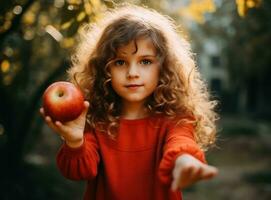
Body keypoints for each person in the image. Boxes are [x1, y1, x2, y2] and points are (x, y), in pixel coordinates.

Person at [40, 3, 218, 200]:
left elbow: (180, 143)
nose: (132, 73)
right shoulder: (95, 118)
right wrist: (74, 142)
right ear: (103, 69)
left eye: (145, 61)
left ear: (165, 67)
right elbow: (79, 172)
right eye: (120, 62)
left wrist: (185, 161)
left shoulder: (175, 118)